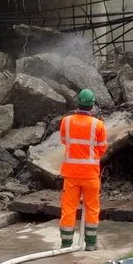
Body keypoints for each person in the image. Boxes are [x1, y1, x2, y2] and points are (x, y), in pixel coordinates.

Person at [58, 88, 108, 251]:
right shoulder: (98, 125)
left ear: (77, 103)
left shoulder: (66, 121)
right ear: (92, 105)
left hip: (71, 175)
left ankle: (66, 244)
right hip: (90, 175)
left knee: (68, 208)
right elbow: (102, 149)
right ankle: (91, 243)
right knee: (92, 208)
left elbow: (65, 141)